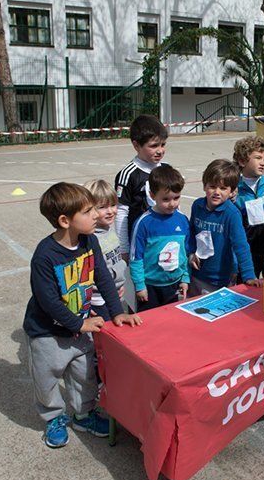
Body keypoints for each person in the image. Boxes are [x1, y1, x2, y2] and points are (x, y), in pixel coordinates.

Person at [23, 183, 141, 448]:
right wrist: (79, 323)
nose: (97, 215)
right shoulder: (45, 255)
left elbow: (103, 277)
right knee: (47, 378)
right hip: (48, 332)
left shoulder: (90, 240)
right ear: (65, 221)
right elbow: (48, 301)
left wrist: (116, 314)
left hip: (80, 327)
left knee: (84, 375)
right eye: (88, 211)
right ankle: (54, 417)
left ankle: (83, 414)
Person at [188, 159, 262, 295]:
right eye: (212, 186)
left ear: (232, 191)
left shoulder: (232, 214)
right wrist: (191, 252)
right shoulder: (197, 206)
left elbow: (241, 245)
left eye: (223, 188)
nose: (217, 192)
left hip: (221, 278)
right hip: (197, 273)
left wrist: (249, 275)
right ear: (204, 186)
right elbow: (191, 232)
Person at [129, 165, 190, 312]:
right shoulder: (143, 223)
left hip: (174, 284)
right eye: (166, 199)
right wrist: (140, 285)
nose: (172, 203)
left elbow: (186, 252)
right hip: (150, 287)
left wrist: (185, 278)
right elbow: (136, 258)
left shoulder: (182, 220)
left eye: (176, 198)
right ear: (152, 194)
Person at [114, 114, 169, 260]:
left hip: (163, 237)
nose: (160, 150)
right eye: (153, 146)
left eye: (163, 144)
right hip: (139, 242)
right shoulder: (128, 174)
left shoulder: (166, 169)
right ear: (136, 145)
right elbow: (121, 213)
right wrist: (124, 248)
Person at [232, 135, 264, 278]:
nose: (263, 163)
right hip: (249, 253)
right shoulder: (233, 190)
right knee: (247, 288)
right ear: (242, 161)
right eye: (258, 158)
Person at [83, 179, 127, 316]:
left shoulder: (108, 229)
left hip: (115, 293)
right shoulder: (90, 238)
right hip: (99, 299)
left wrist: (120, 284)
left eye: (113, 205)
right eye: (102, 207)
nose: (110, 211)